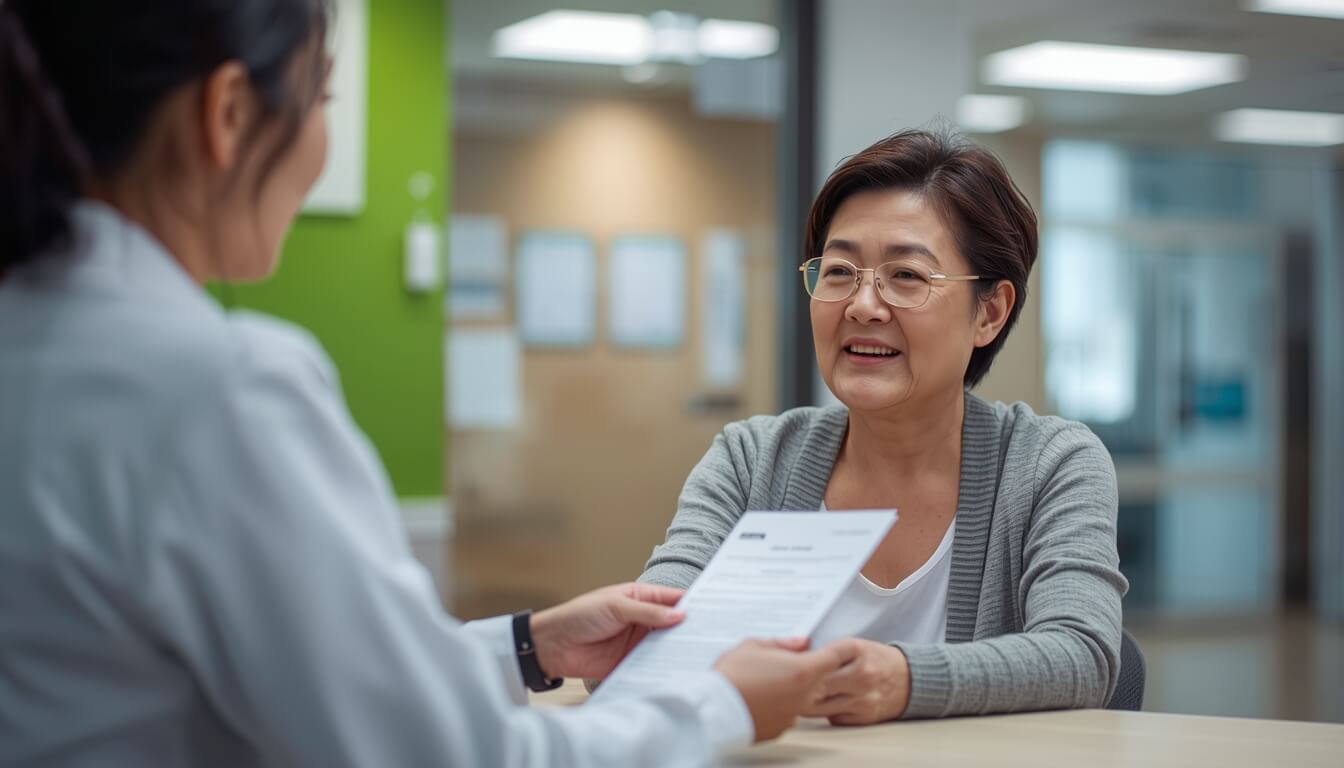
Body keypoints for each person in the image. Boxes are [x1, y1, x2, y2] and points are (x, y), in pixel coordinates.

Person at [0, 2, 855, 765]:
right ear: (227, 115)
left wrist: (530, 644)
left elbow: (312, 677)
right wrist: (720, 706)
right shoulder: (218, 386)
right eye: (323, 100)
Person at [637, 129, 1129, 724]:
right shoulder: (752, 459)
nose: (863, 306)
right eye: (840, 271)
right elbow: (647, 642)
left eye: (907, 277)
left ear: (990, 312)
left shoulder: (1049, 463)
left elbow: (1083, 656)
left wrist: (903, 680)